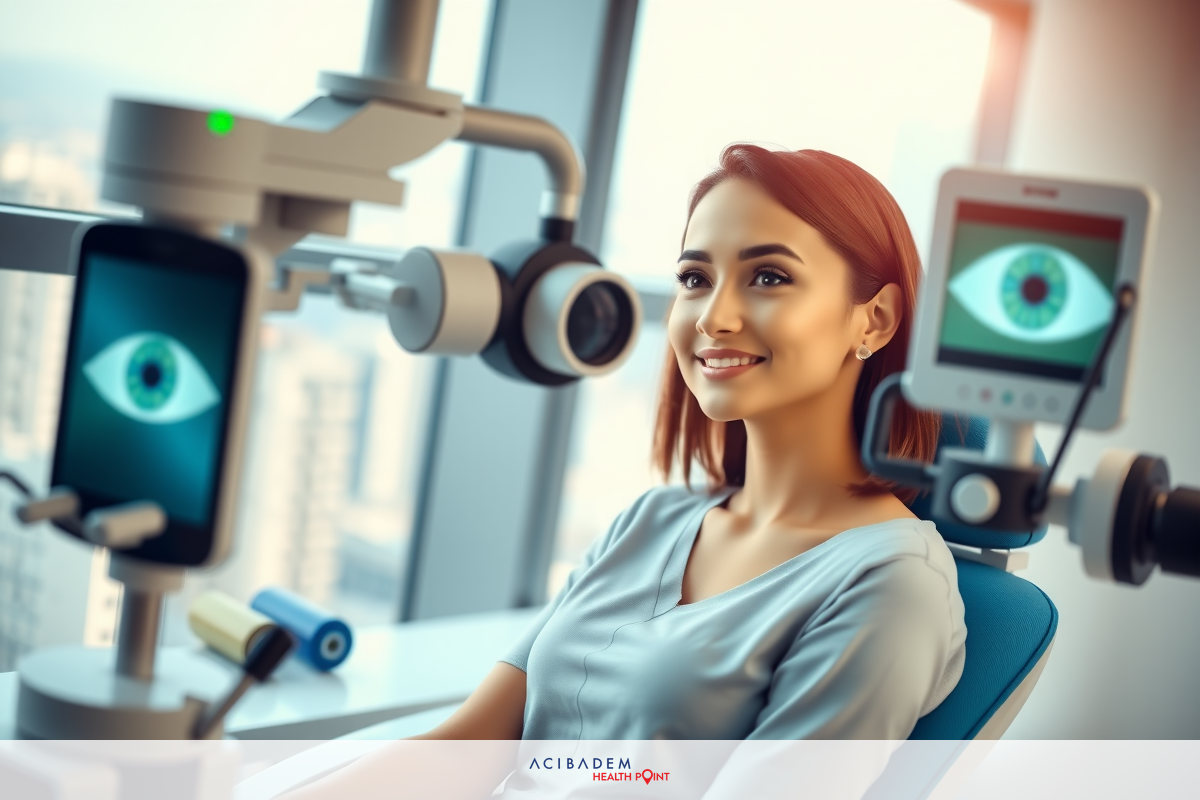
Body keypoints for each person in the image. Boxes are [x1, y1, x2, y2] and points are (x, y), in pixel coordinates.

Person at [282, 144, 967, 797]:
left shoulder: (892, 587)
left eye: (769, 277)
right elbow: (473, 744)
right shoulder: (656, 519)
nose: (714, 317)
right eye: (695, 279)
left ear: (873, 321)